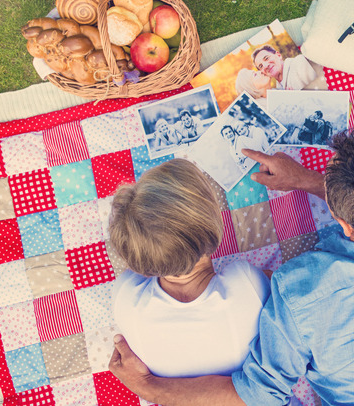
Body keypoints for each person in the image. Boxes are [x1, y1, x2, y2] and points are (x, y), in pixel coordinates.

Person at [109, 130, 354, 406]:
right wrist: (306, 180)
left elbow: (259, 394)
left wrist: (147, 385)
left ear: (340, 221)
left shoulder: (299, 290)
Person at [108, 158, 270, 378]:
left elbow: (131, 274)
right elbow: (276, 283)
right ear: (213, 227)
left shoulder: (126, 296)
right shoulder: (246, 282)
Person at [251, 45, 317, 91]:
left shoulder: (300, 63)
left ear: (278, 55)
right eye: (261, 66)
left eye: (266, 58)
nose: (265, 65)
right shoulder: (278, 89)